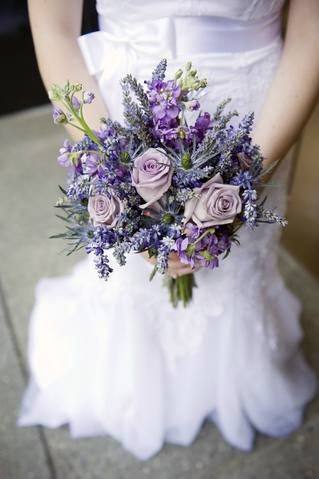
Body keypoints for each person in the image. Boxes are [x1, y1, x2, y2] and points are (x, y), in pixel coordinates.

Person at [19, 0, 318, 460]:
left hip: (259, 114)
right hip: (122, 109)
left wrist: (242, 180)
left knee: (236, 272)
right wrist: (119, 177)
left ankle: (235, 372)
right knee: (139, 277)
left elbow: (310, 31)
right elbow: (55, 32)